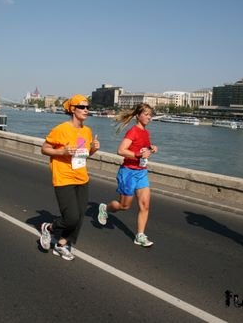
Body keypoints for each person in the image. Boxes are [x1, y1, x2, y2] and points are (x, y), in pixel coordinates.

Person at [39, 94, 100, 260]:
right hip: (64, 177)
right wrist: (61, 151)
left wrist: (94, 148)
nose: (86, 110)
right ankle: (49, 228)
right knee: (71, 217)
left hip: (82, 177)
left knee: (79, 217)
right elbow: (44, 149)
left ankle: (61, 244)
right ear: (73, 109)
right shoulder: (61, 129)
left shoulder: (87, 131)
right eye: (82, 107)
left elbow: (83, 155)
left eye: (87, 107)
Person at [97, 103, 158, 247]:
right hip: (128, 173)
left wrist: (152, 148)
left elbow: (144, 148)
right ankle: (105, 208)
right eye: (147, 114)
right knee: (124, 206)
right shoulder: (133, 131)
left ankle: (140, 235)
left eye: (150, 115)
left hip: (141, 172)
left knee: (145, 205)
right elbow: (121, 150)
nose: (149, 117)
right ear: (138, 116)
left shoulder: (146, 132)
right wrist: (138, 154)